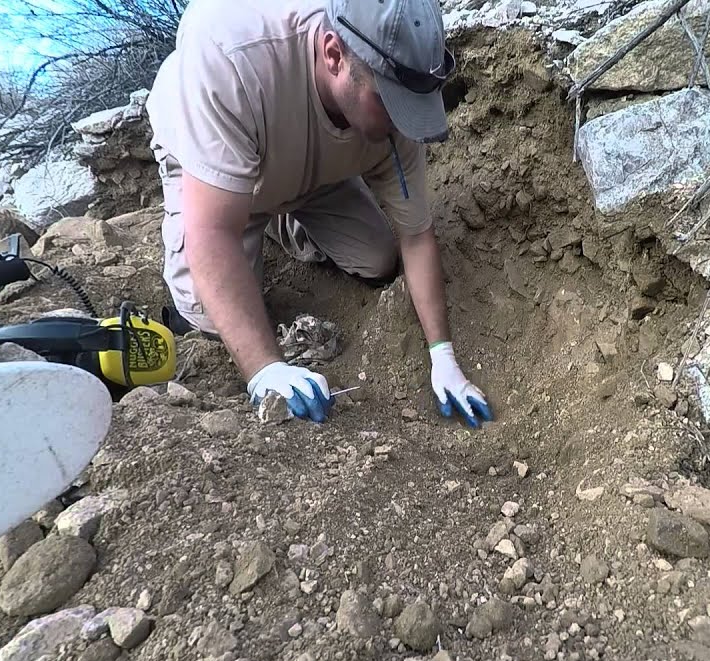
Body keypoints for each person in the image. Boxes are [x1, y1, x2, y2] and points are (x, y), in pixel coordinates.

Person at [145, 0, 494, 428]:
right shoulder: (231, 54)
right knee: (211, 318)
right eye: (390, 104)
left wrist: (444, 357)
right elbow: (212, 233)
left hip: (312, 171)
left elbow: (416, 236)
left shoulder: (397, 89)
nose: (404, 124)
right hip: (214, 167)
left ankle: (278, 216)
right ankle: (251, 207)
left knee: (379, 259)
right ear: (333, 55)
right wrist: (264, 369)